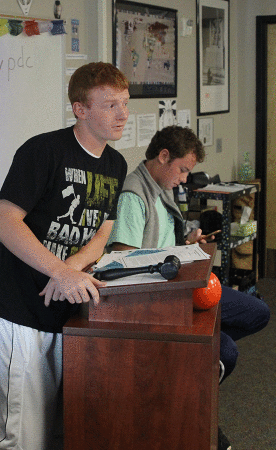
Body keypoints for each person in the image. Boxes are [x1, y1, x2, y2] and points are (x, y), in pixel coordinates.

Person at [0, 62, 130, 450]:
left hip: (67, 307)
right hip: (22, 310)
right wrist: (61, 272)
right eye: (110, 105)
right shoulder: (43, 150)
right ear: (81, 109)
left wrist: (70, 271)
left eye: (125, 104)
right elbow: (5, 222)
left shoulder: (116, 163)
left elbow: (103, 231)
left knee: (53, 428)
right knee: (18, 431)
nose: (122, 114)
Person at [108, 125, 270, 450]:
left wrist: (187, 240)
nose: (184, 178)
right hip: (159, 301)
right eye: (182, 169)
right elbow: (124, 258)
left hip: (183, 286)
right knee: (226, 351)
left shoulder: (162, 185)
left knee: (257, 313)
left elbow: (163, 238)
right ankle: (193, 392)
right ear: (163, 156)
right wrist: (174, 256)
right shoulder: (134, 195)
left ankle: (191, 372)